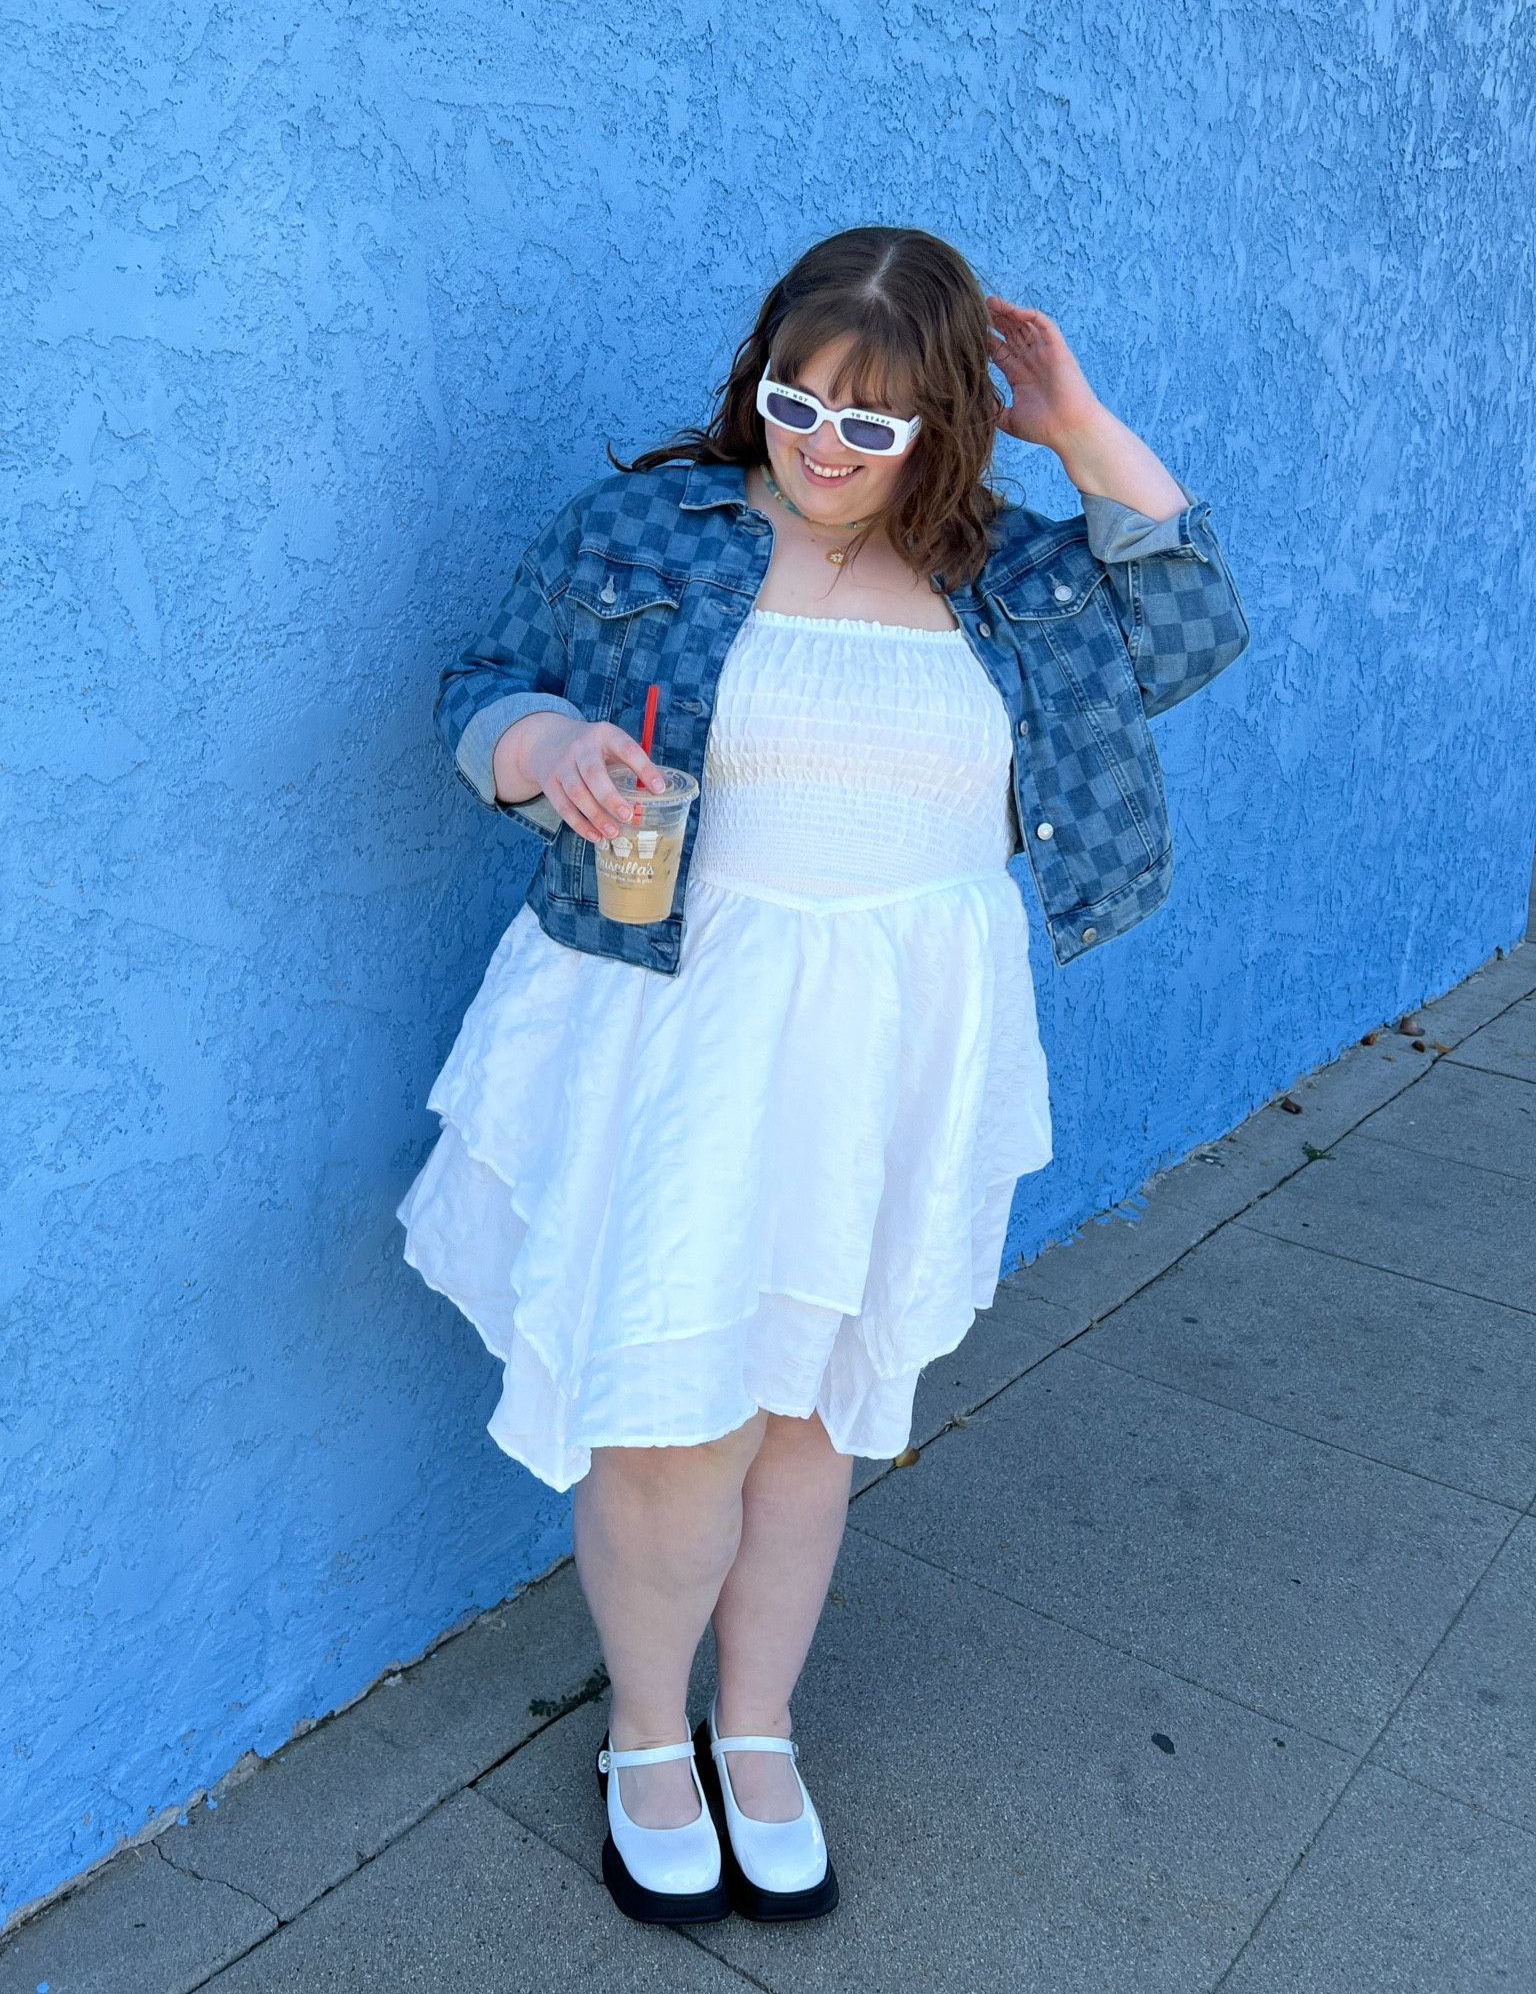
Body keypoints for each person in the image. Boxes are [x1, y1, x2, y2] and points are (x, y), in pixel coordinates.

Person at [399, 226, 1248, 1926]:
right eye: (798, 404)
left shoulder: (1012, 571)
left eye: (874, 422)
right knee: (675, 1415)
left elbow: (1191, 626)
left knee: (807, 1417)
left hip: (893, 1045)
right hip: (681, 1028)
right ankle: (650, 1737)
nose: (824, 450)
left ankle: (759, 1726)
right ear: (761, 381)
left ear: (946, 422)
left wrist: (1077, 424)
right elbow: (480, 687)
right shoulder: (649, 528)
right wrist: (547, 750)